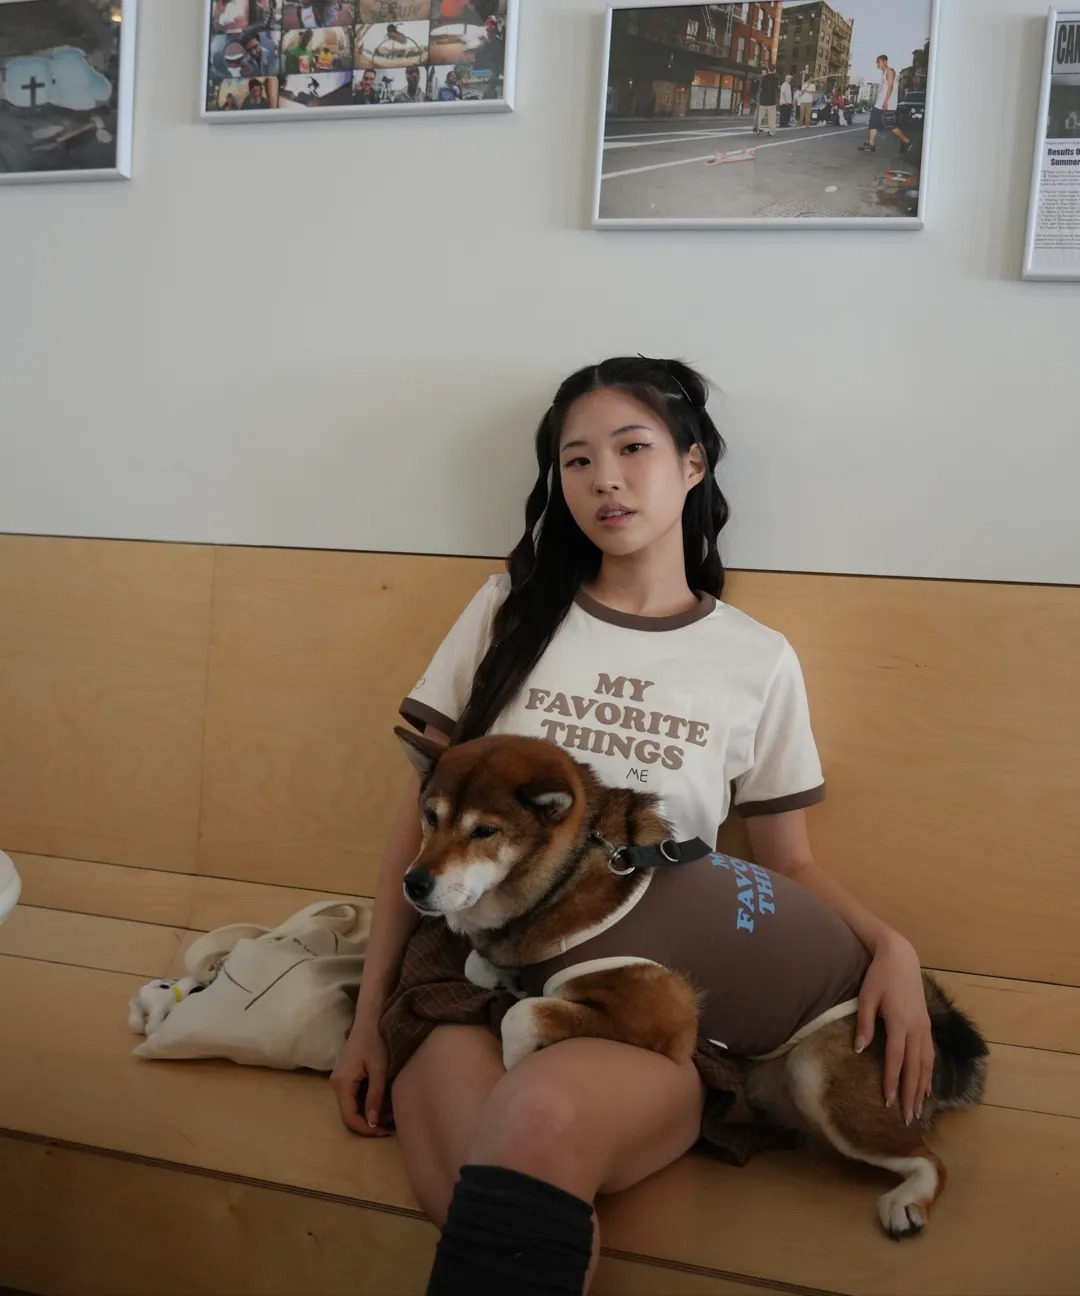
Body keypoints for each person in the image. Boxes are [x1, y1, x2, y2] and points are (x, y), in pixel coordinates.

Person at [330, 356, 938, 1296]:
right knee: (482, 1192)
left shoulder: (756, 661)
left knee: (536, 1126)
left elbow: (790, 863)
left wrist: (891, 946)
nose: (603, 479)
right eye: (576, 460)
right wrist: (368, 1018)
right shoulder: (508, 613)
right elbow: (420, 831)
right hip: (463, 971)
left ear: (692, 464)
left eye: (631, 449)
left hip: (636, 995)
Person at [860, 54, 911, 155]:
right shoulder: (883, 73)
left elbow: (890, 86)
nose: (877, 64)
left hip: (888, 104)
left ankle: (907, 142)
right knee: (873, 123)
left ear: (885, 62)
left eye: (879, 61)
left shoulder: (890, 71)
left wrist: (886, 101)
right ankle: (871, 144)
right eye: (877, 62)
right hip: (879, 104)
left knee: (890, 125)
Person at [756, 63, 778, 137]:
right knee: (771, 118)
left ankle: (757, 128)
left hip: (763, 101)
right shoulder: (776, 78)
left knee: (760, 117)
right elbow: (777, 88)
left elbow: (761, 88)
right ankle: (772, 132)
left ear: (768, 70)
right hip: (771, 102)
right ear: (775, 70)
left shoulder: (764, 78)